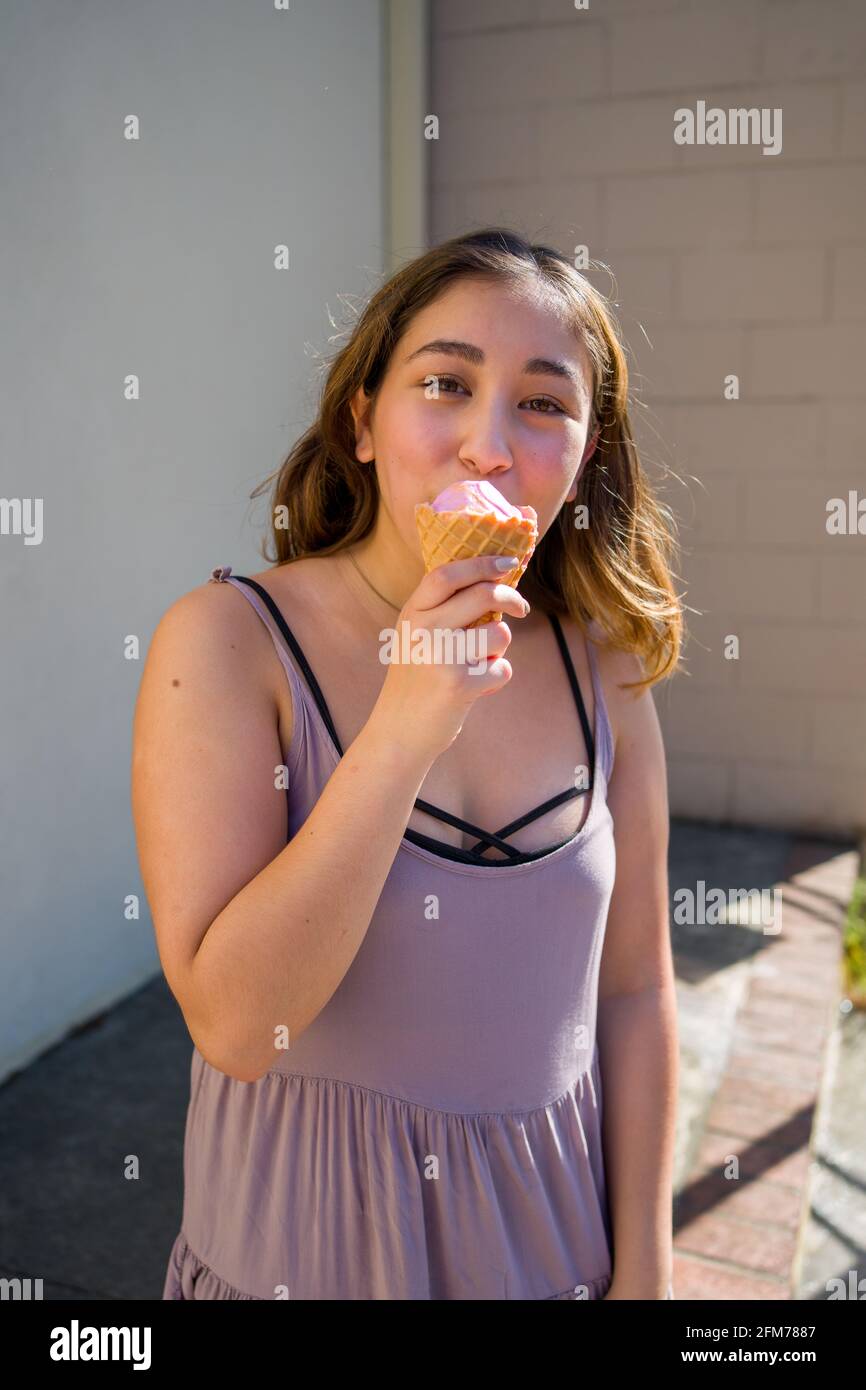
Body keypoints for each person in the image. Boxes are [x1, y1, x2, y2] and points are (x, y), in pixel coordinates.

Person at [132, 227, 682, 1301]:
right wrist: (404, 725)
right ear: (363, 422)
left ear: (584, 452)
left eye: (542, 402)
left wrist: (647, 1277)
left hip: (551, 1263)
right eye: (444, 383)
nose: (488, 445)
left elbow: (633, 989)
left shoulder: (603, 661)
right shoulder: (226, 643)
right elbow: (240, 1028)